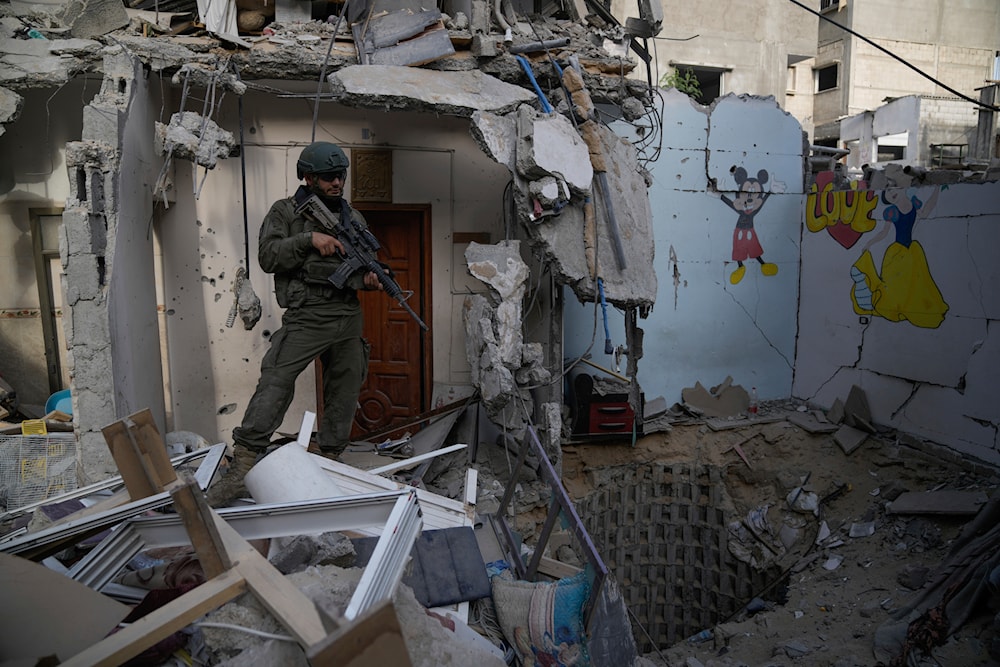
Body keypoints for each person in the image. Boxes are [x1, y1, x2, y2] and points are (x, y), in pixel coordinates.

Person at [208, 141, 383, 505]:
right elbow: (268, 257)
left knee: (346, 386)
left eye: (341, 176)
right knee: (276, 382)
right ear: (308, 177)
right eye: (329, 177)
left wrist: (368, 280)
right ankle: (243, 464)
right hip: (307, 315)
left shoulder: (354, 219)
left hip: (347, 314)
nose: (338, 183)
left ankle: (331, 457)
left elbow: (359, 269)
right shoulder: (285, 212)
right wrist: (307, 239)